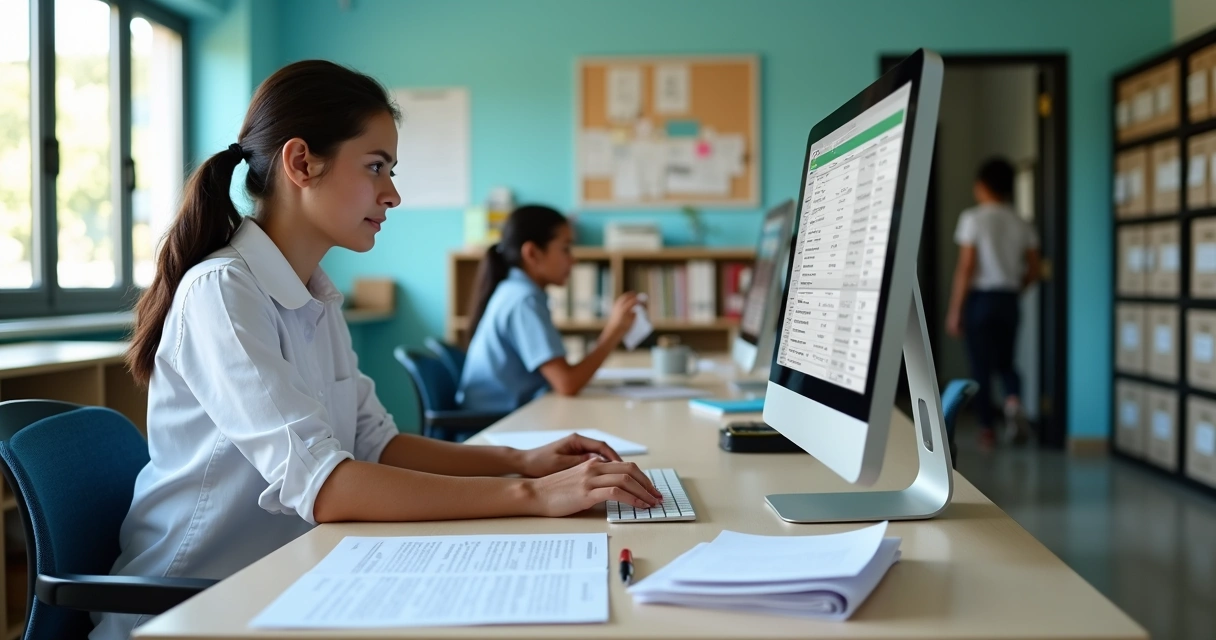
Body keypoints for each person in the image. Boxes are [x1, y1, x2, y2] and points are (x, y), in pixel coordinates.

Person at [94, 61, 661, 640]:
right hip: (189, 607)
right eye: (375, 167)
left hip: (286, 581)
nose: (392, 194)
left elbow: (377, 446)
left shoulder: (316, 293)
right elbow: (329, 486)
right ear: (300, 162)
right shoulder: (223, 292)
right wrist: (533, 496)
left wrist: (527, 461)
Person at [458, 205, 641, 412]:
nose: (573, 260)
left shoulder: (516, 291)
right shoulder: (523, 300)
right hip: (494, 426)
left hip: (509, 417)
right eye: (565, 248)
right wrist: (614, 332)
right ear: (532, 253)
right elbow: (567, 384)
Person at [946, 157, 1041, 450]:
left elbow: (966, 267)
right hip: (1008, 299)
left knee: (981, 367)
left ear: (982, 186)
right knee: (1007, 362)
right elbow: (1035, 270)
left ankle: (987, 430)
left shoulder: (973, 218)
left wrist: (955, 310)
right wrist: (1014, 289)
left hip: (980, 300)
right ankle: (1013, 401)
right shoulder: (1022, 222)